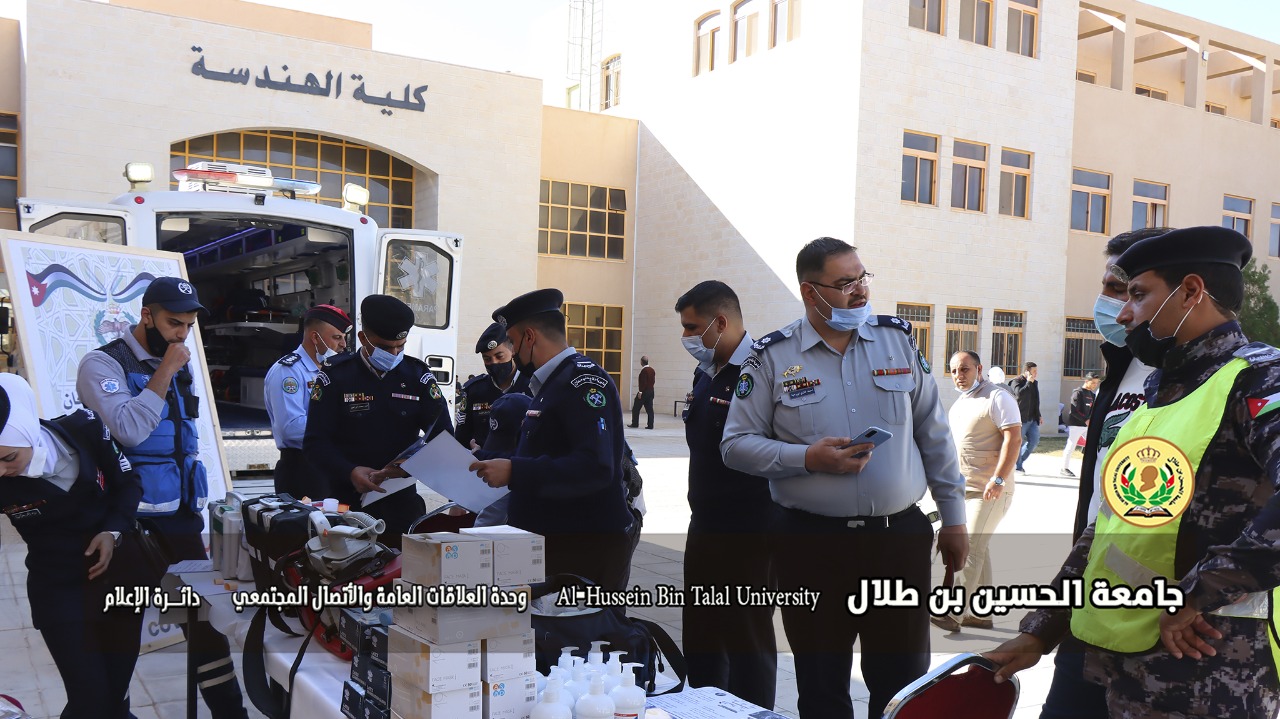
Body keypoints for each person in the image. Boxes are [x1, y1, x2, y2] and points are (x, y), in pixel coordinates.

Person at [986, 226, 1280, 718]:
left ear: (1190, 292)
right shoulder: (1158, 394)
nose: (1124, 313)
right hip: (1108, 656)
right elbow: (1107, 533)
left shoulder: (1259, 377)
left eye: (1139, 295)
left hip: (1205, 672)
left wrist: (1197, 591)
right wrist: (1039, 630)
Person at [720, 237, 968, 719]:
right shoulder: (772, 357)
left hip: (897, 541)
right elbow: (734, 445)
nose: (860, 291)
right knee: (821, 682)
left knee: (903, 683)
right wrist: (807, 458)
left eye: (862, 278)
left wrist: (955, 521)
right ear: (810, 293)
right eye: (845, 283)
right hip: (810, 547)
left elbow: (933, 433)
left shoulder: (896, 339)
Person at [75, 276, 249, 718]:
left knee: (205, 629)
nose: (181, 334)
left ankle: (231, 713)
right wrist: (165, 369)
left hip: (181, 524)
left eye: (189, 326)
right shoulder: (102, 364)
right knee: (119, 633)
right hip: (126, 526)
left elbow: (184, 439)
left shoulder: (180, 359)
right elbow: (129, 430)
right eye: (174, 323)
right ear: (146, 315)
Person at [1035, 227, 1168, 718]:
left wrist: (1200, 594)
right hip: (1095, 606)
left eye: (1130, 291)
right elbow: (1105, 508)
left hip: (1175, 636)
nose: (1115, 306)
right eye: (1111, 288)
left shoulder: (1232, 378)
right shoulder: (1123, 365)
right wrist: (1049, 621)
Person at [0, 374, 148, 719]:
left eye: (7, 457)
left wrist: (112, 531)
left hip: (121, 583)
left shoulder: (86, 427)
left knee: (116, 697)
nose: (1, 470)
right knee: (90, 701)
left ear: (26, 430)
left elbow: (130, 483)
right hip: (58, 590)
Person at [469, 288, 633, 591]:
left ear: (530, 337)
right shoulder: (553, 382)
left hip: (582, 549)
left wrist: (515, 471)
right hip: (556, 543)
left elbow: (595, 466)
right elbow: (547, 449)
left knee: (585, 635)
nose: (514, 353)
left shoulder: (582, 382)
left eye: (514, 343)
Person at [673, 280, 778, 708]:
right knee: (701, 634)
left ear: (721, 321)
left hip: (751, 532)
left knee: (746, 641)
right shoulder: (707, 370)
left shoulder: (764, 369)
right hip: (706, 527)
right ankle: (702, 710)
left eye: (691, 327)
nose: (686, 338)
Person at [302, 294, 452, 550]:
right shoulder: (335, 376)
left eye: (400, 346)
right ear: (363, 338)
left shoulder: (417, 376)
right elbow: (315, 442)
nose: (394, 354)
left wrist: (410, 465)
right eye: (385, 347)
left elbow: (444, 438)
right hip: (345, 502)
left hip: (400, 501)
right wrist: (349, 471)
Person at [932, 350, 1021, 633]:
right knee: (978, 548)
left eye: (965, 369)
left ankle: (952, 612)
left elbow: (1014, 438)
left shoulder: (998, 397)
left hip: (990, 489)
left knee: (969, 547)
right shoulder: (959, 403)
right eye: (955, 371)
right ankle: (981, 615)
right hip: (962, 489)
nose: (959, 376)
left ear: (979, 369)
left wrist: (998, 479)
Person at [263, 304, 351, 498]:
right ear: (314, 337)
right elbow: (291, 428)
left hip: (334, 464)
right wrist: (343, 427)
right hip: (303, 468)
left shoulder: (333, 370)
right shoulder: (289, 371)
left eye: (344, 338)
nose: (343, 345)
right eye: (337, 337)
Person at [455, 322, 531, 450]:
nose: (494, 363)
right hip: (481, 464)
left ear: (512, 350)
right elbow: (461, 438)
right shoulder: (474, 390)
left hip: (519, 465)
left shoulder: (532, 385)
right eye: (487, 359)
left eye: (499, 356)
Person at [1060, 373, 1099, 478]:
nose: (1095, 385)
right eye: (1093, 382)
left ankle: (1093, 468)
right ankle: (1064, 468)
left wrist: (1091, 419)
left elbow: (1092, 410)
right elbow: (1074, 411)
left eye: (1096, 383)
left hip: (1087, 426)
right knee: (1071, 446)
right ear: (1086, 381)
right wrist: (1085, 420)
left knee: (1094, 444)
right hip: (1076, 425)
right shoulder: (1078, 393)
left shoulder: (1092, 395)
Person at [1008, 361, 1042, 473]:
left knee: (1034, 441)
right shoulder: (1016, 381)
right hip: (1020, 418)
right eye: (1034, 371)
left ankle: (1018, 462)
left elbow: (1035, 401)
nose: (1036, 374)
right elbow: (1018, 394)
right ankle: (1017, 466)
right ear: (1027, 371)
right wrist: (1028, 383)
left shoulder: (1034, 383)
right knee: (1018, 442)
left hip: (1032, 418)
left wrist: (1039, 415)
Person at [629, 355, 656, 429]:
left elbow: (643, 382)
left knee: (636, 408)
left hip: (644, 392)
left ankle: (635, 423)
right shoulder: (652, 370)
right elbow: (653, 381)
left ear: (641, 362)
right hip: (651, 391)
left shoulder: (644, 371)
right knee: (649, 409)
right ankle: (650, 425)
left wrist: (640, 392)